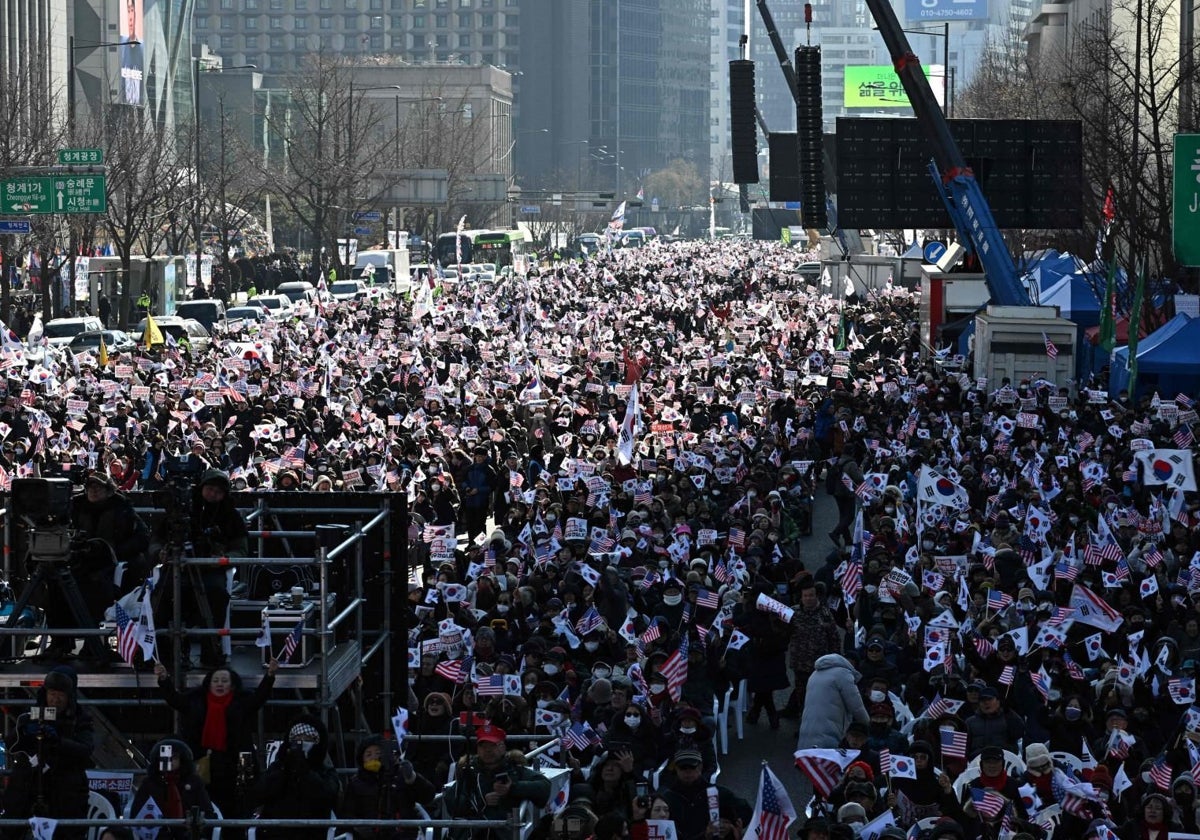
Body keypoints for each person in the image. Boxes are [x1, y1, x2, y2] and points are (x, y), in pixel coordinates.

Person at [153, 659, 278, 818]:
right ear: (209, 684)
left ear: (232, 685)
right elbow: (175, 700)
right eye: (216, 681)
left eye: (224, 681)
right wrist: (164, 679)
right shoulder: (196, 700)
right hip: (203, 764)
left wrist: (270, 675)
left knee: (234, 810)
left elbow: (259, 698)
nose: (220, 684)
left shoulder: (241, 701)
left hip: (234, 768)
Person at [155, 468, 248, 668]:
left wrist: (224, 558)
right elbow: (156, 539)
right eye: (210, 488)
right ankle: (167, 654)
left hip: (210, 570)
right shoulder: (181, 509)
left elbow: (241, 549)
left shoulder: (230, 516)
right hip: (177, 568)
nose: (213, 494)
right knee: (163, 599)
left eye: (218, 491)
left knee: (216, 596)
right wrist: (160, 552)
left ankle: (211, 652)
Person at [3, 667, 94, 840]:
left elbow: (86, 749)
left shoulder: (81, 718)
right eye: (52, 694)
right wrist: (24, 732)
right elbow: (11, 745)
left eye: (60, 695)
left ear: (69, 696)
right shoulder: (31, 714)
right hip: (27, 784)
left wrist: (58, 741)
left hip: (64, 789)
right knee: (12, 828)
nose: (55, 699)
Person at [443, 723, 551, 840]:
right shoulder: (469, 771)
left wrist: (512, 788)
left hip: (506, 832)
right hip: (474, 833)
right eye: (483, 746)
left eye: (492, 745)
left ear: (503, 747)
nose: (488, 750)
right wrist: (481, 801)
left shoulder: (515, 769)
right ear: (477, 749)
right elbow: (451, 801)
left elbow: (544, 787)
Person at [251, 714, 341, 840]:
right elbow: (259, 794)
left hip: (312, 834)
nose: (301, 742)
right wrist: (286, 769)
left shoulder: (325, 772)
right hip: (275, 833)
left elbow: (328, 796)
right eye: (297, 738)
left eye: (308, 738)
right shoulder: (277, 767)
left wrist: (305, 771)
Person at [341, 734, 436, 840]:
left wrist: (413, 779)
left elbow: (429, 796)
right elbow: (346, 815)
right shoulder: (356, 783)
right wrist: (358, 826)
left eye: (378, 753)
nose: (374, 757)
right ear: (361, 760)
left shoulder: (401, 775)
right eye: (368, 754)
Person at [129, 738, 215, 839]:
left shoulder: (194, 781)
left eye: (174, 757)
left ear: (181, 759)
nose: (170, 761)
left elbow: (208, 813)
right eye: (165, 757)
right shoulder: (149, 783)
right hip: (157, 835)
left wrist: (195, 828)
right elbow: (136, 814)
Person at [657, 749, 751, 840]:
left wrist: (730, 825)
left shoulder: (719, 793)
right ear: (676, 768)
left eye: (692, 767)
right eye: (683, 767)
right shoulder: (667, 798)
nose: (688, 771)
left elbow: (746, 810)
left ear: (700, 767)